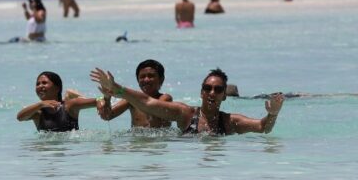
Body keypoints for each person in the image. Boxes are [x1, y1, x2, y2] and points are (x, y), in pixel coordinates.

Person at [91, 67, 284, 136]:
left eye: (218, 90)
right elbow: (148, 103)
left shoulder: (230, 121)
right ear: (201, 92)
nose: (212, 92)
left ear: (225, 95)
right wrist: (117, 89)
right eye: (207, 88)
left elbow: (262, 127)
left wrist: (273, 114)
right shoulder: (186, 115)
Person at [97, 59, 174, 128]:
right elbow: (107, 116)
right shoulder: (131, 100)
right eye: (142, 77)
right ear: (138, 80)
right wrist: (107, 97)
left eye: (151, 76)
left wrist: (120, 91)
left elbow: (154, 119)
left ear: (161, 79)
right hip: (137, 143)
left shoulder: (165, 98)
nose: (146, 80)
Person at [16, 71, 100, 132]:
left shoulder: (69, 106)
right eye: (37, 84)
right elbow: (20, 117)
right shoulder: (38, 112)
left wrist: (103, 101)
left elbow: (98, 100)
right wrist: (40, 104)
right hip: (45, 155)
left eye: (44, 83)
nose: (40, 86)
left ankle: (69, 94)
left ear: (57, 88)